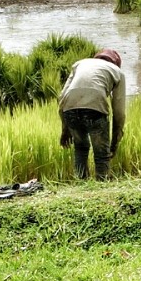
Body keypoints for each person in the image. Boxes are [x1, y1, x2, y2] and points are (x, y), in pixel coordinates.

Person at [58, 48, 127, 181]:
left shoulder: (79, 64)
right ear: (116, 63)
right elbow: (119, 112)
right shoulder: (117, 72)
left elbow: (61, 97)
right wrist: (115, 142)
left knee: (80, 148)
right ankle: (102, 185)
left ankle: (81, 183)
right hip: (95, 111)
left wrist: (65, 129)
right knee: (101, 154)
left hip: (69, 109)